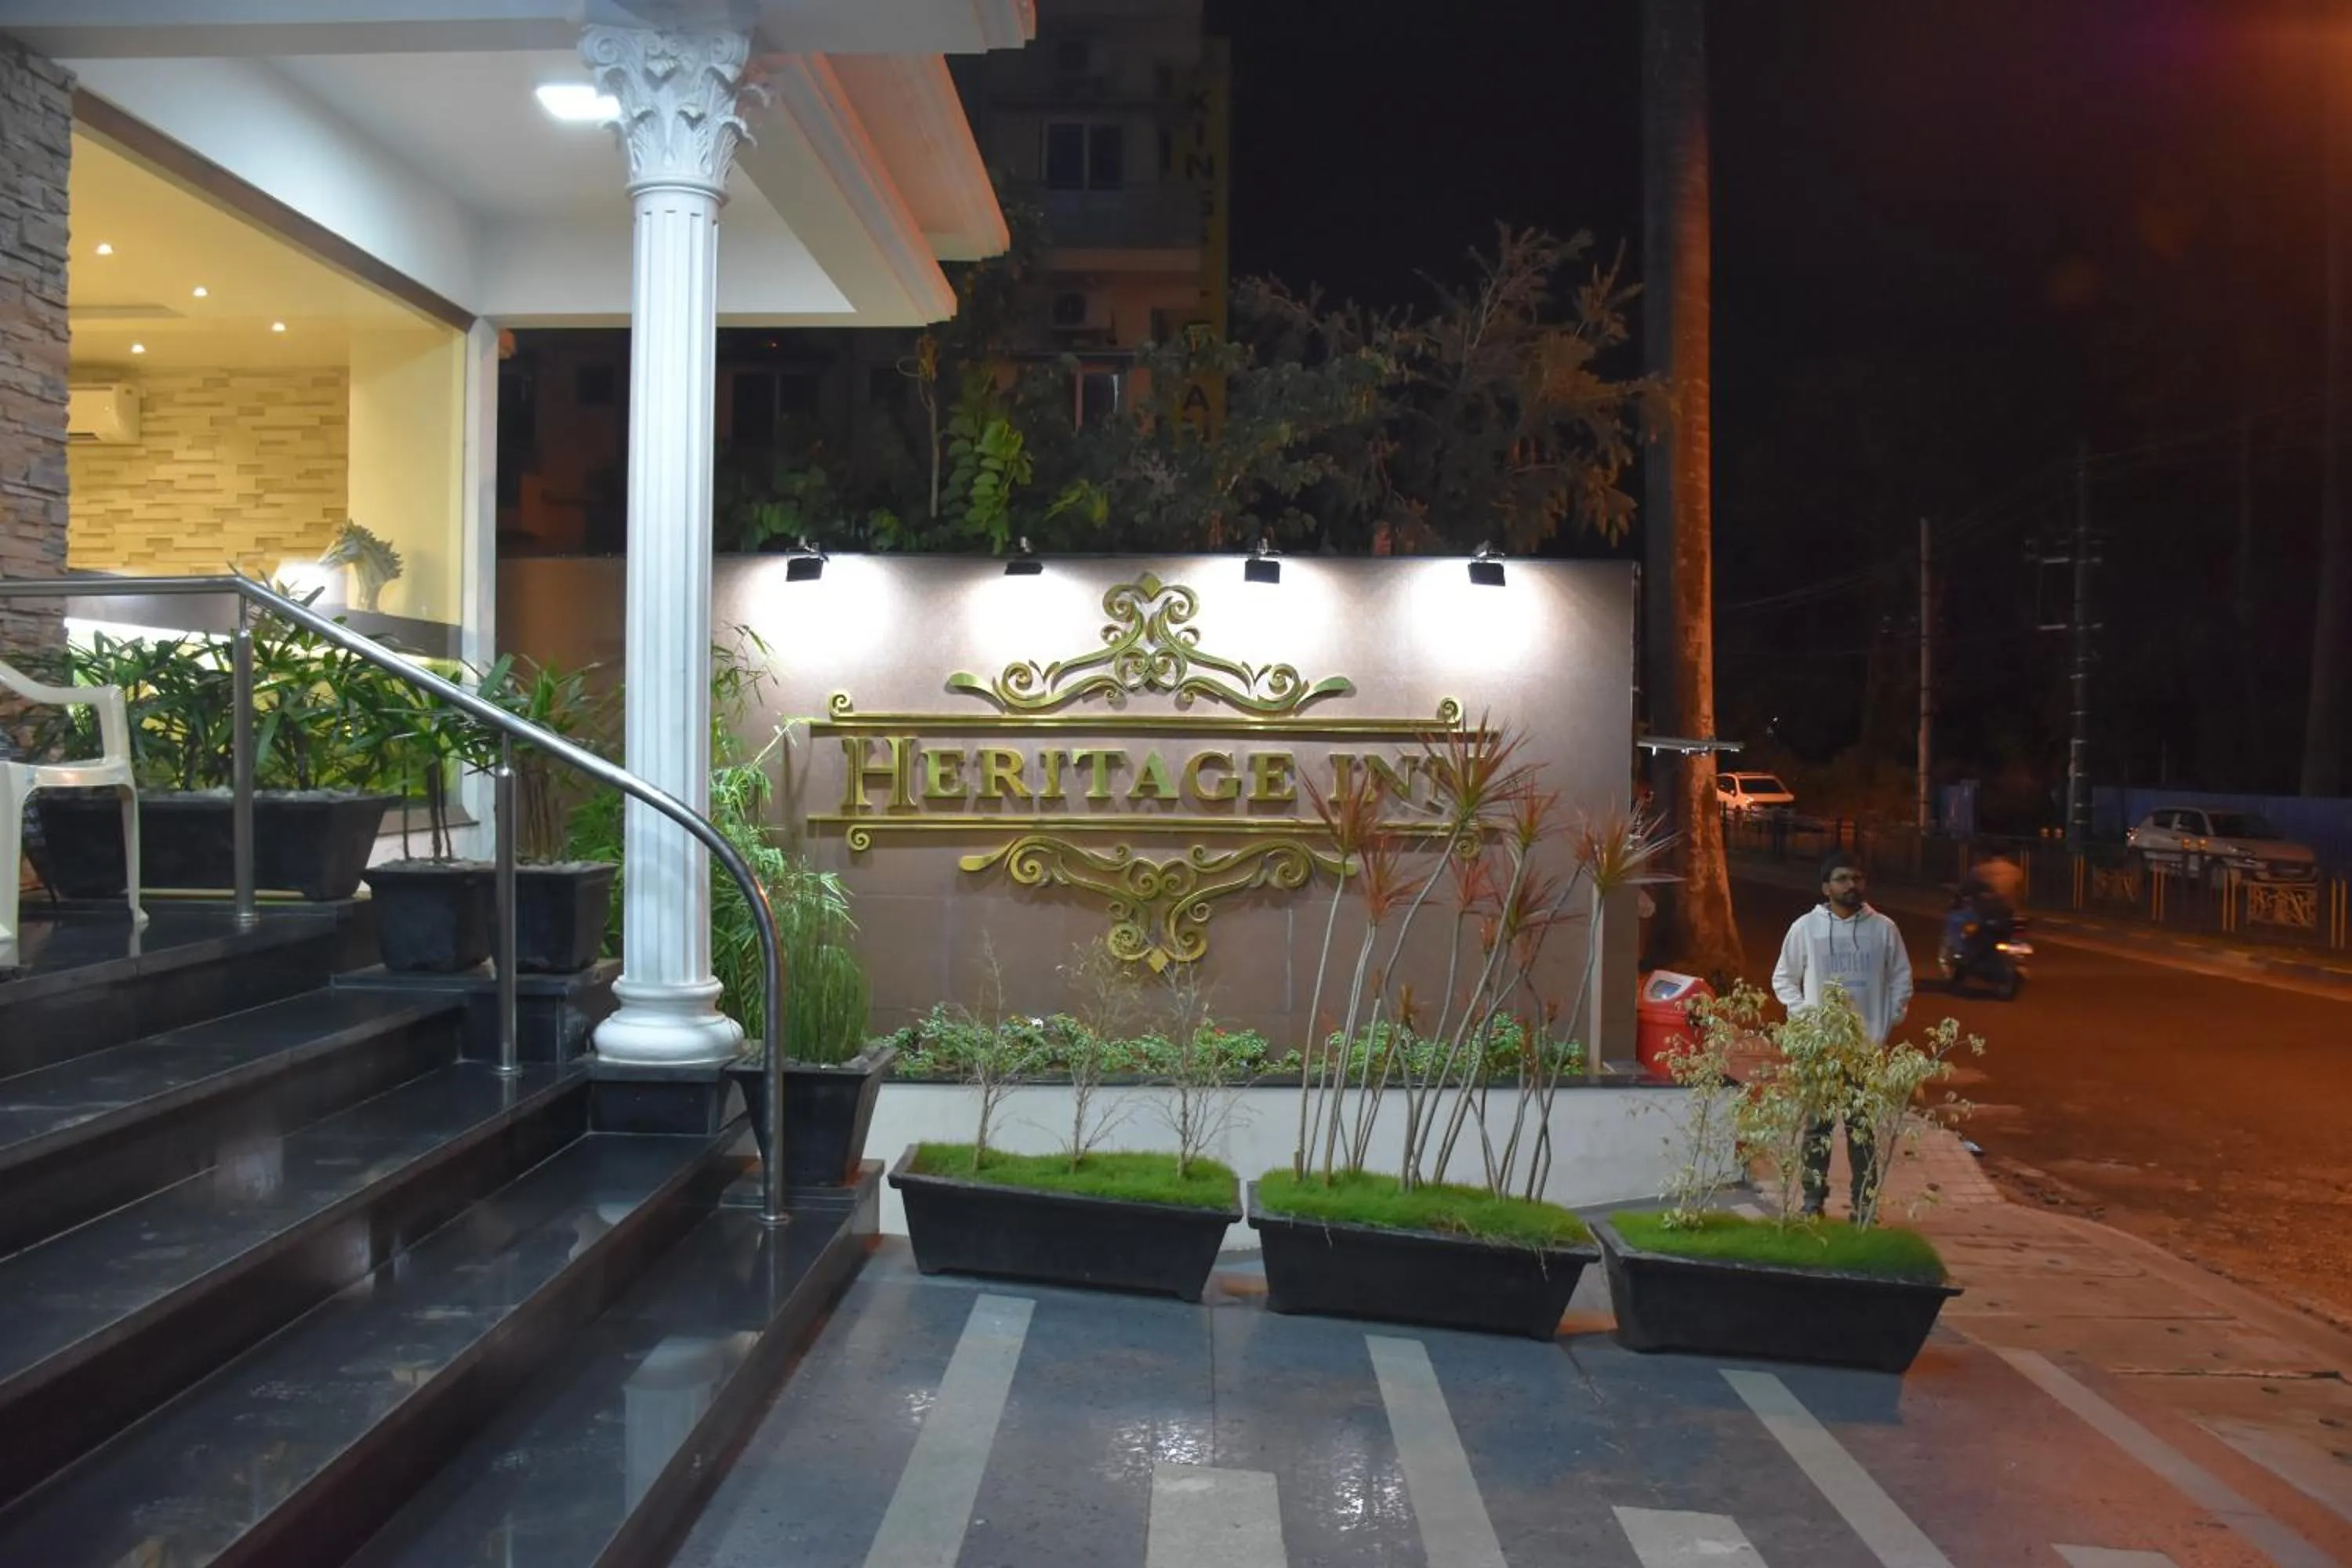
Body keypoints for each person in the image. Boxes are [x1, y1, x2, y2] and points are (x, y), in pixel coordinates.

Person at [1771, 852, 1914, 1218]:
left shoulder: (1884, 929)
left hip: (1865, 1046)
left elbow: (1901, 977)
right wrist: (1805, 1016)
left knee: (1862, 1130)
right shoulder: (1806, 927)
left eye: (1857, 878)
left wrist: (1890, 1017)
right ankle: (1812, 1202)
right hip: (1821, 1048)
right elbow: (1783, 978)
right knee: (1817, 1127)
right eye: (1842, 878)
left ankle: (1864, 1205)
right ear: (1826, 887)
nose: (1851, 885)